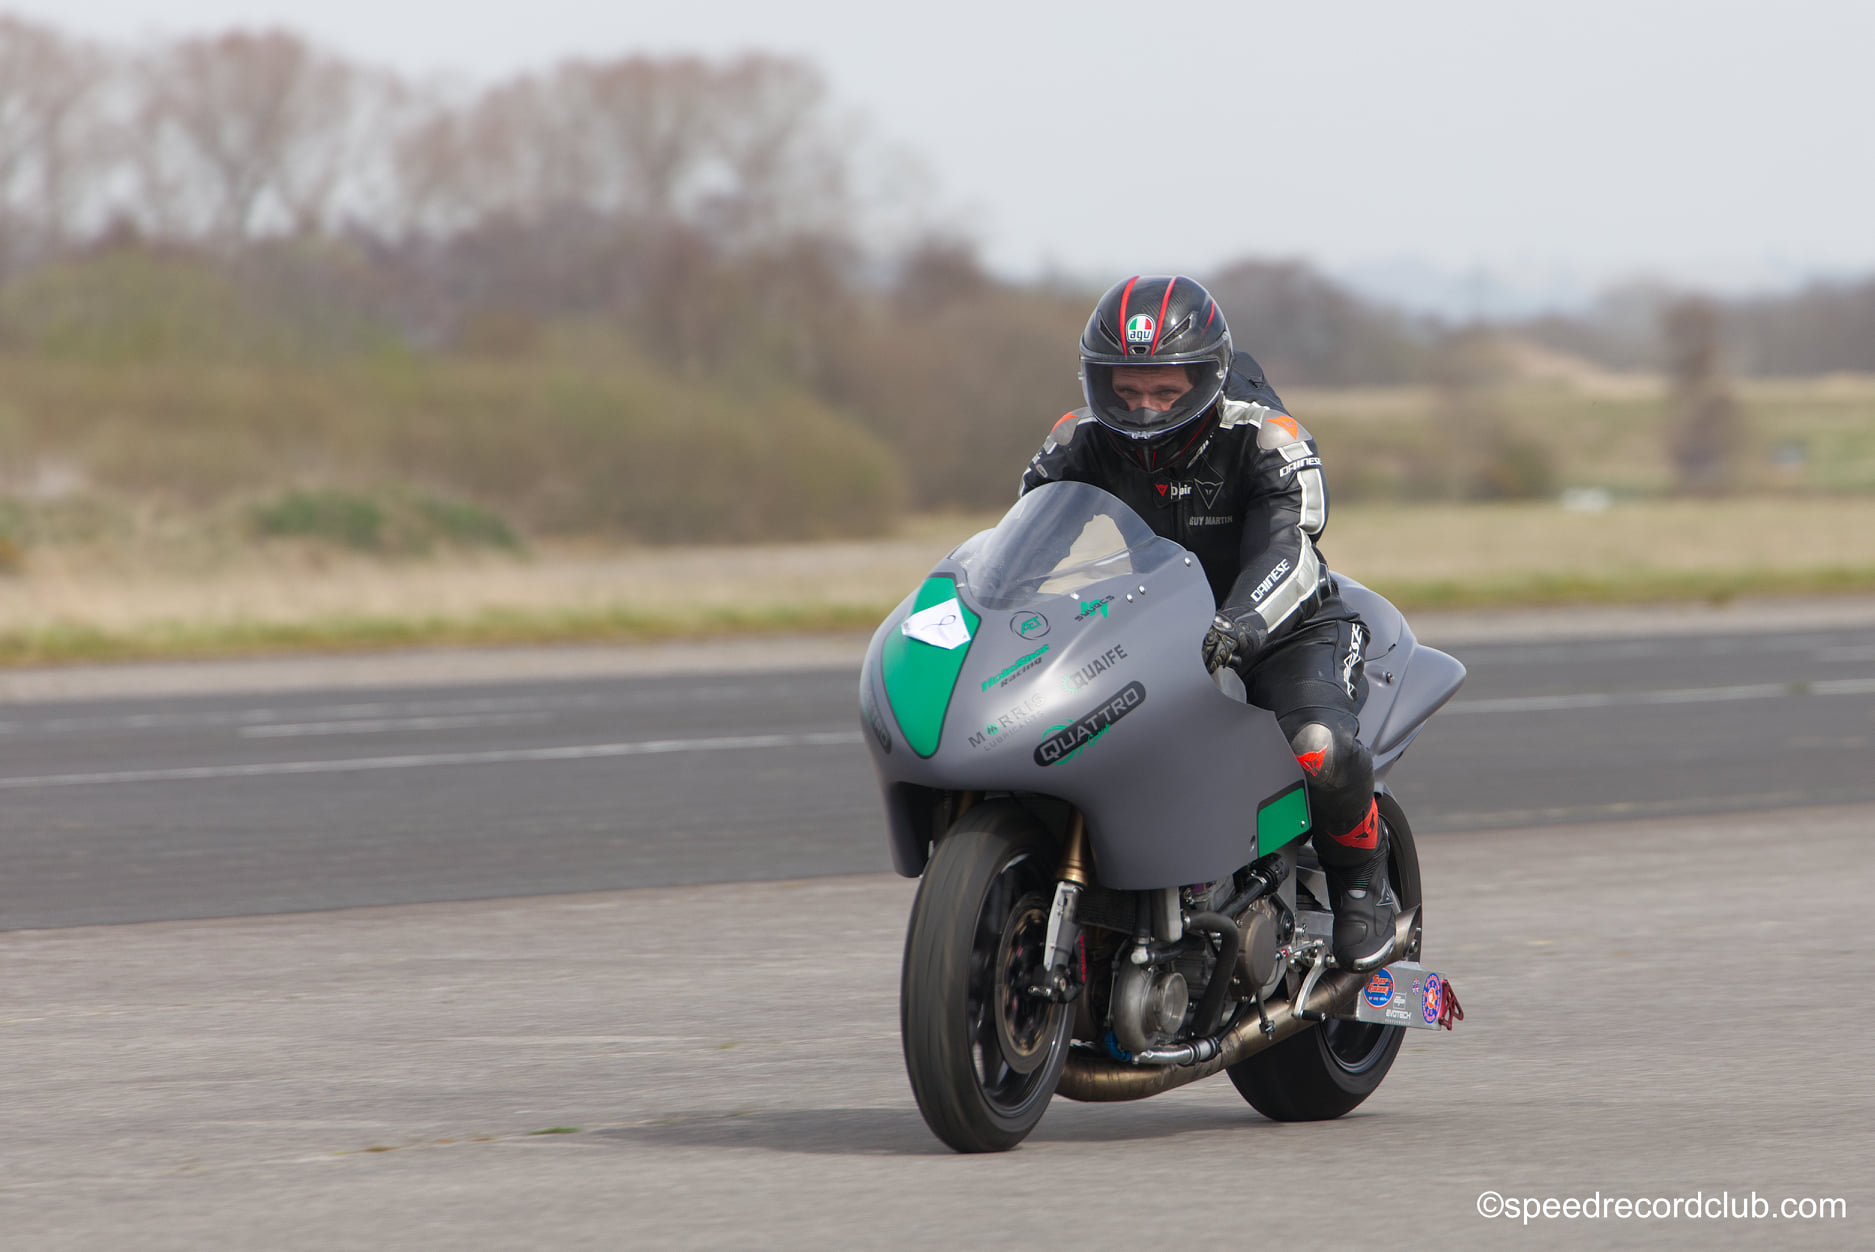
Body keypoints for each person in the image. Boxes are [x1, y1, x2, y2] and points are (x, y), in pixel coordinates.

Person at [1019, 274, 1391, 967]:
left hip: (1282, 628)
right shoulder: (1077, 439)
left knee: (1318, 744)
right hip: (1159, 630)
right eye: (1124, 388)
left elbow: (1294, 547)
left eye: (1165, 389)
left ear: (1207, 378)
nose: (1142, 407)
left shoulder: (1267, 436)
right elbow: (1026, 543)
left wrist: (1238, 626)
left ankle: (1362, 884)